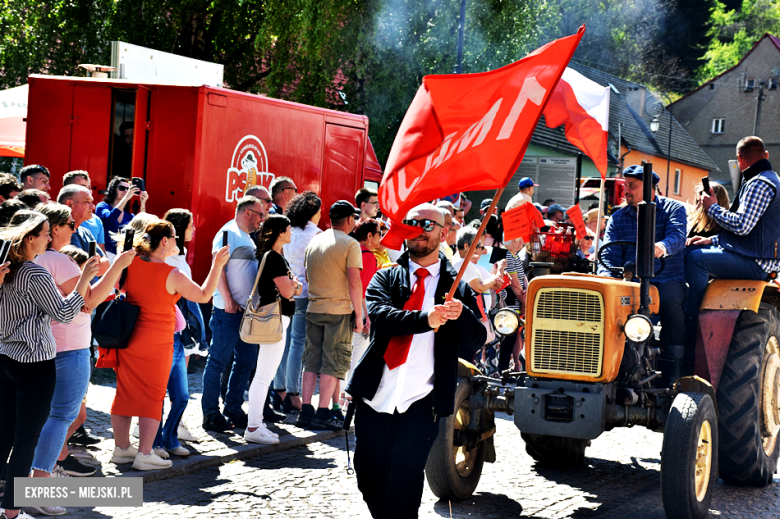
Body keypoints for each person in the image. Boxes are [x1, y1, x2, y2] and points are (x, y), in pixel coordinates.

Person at [346, 203, 486, 519]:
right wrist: (427, 318)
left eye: (427, 224)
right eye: (412, 223)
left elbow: (477, 338)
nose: (419, 230)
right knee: (368, 476)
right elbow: (381, 316)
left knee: (405, 484)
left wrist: (461, 315)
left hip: (422, 402)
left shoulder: (457, 287)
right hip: (375, 396)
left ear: (444, 232)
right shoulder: (388, 277)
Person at [0, 211, 99, 519]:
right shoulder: (34, 272)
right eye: (44, 233)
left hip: (5, 357)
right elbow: (66, 312)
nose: (49, 238)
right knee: (26, 439)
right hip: (34, 363)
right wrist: (84, 279)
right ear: (30, 237)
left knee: (4, 434)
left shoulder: (7, 268)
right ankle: (12, 509)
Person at [108, 220, 229, 471]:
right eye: (174, 237)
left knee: (125, 393)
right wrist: (217, 264)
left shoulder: (130, 265)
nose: (178, 242)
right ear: (164, 241)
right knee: (153, 396)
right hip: (157, 341)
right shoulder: (171, 273)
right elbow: (204, 295)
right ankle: (144, 453)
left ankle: (121, 449)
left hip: (128, 338)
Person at [30, 204, 134, 489]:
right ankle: (42, 480)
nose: (75, 230)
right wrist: (118, 266)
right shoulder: (58, 260)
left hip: (41, 346)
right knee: (61, 416)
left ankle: (36, 477)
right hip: (68, 347)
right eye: (70, 225)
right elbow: (89, 301)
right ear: (53, 230)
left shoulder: (31, 258)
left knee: (46, 415)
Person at [598, 165, 687, 385]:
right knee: (607, 306)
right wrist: (606, 277)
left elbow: (677, 236)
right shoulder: (618, 218)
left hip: (666, 277)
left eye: (632, 186)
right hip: (632, 281)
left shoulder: (673, 209)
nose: (625, 190)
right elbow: (609, 253)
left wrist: (662, 247)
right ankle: (611, 364)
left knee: (671, 303)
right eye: (625, 185)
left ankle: (672, 372)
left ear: (649, 189)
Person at [686, 136, 780, 321]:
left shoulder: (759, 183)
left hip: (757, 263)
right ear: (766, 155)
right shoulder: (771, 179)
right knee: (694, 248)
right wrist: (711, 240)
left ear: (739, 158)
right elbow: (755, 232)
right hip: (758, 258)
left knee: (696, 259)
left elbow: (742, 226)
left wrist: (712, 207)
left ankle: (691, 316)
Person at [296, 200, 363, 430]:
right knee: (332, 364)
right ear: (349, 220)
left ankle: (306, 410)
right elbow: (354, 282)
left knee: (311, 361)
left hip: (314, 308)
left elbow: (306, 274)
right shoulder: (350, 244)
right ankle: (323, 412)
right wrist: (360, 315)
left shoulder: (315, 240)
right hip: (339, 311)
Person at [201, 196, 265, 432]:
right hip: (227, 311)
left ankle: (233, 408)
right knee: (218, 361)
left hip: (243, 311)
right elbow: (217, 268)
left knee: (246, 361)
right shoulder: (227, 233)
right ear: (247, 212)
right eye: (260, 214)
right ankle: (210, 413)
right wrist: (228, 299)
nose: (262, 219)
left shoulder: (245, 236)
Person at [245, 215, 302, 444]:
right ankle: (253, 426)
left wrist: (293, 285)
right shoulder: (275, 258)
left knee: (264, 375)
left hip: (278, 319)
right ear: (280, 232)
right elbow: (289, 291)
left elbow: (292, 286)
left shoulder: (275, 257)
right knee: (263, 376)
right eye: (289, 229)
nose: (291, 233)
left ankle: (256, 424)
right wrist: (295, 285)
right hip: (275, 320)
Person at [278, 191, 322, 413]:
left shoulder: (288, 230)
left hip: (284, 290)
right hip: (304, 293)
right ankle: (293, 393)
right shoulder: (317, 234)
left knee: (283, 341)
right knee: (297, 343)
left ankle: (279, 389)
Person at [344, 218, 381, 398]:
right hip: (358, 310)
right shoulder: (367, 256)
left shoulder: (350, 251)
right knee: (357, 353)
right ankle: (349, 395)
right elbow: (365, 290)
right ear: (369, 235)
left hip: (343, 307)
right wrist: (368, 317)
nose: (380, 238)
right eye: (379, 233)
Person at [57, 185, 110, 276]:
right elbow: (74, 268)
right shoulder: (58, 233)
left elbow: (105, 265)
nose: (93, 206)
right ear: (70, 204)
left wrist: (87, 265)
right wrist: (92, 263)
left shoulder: (86, 232)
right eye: (87, 201)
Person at [96, 176, 149, 258]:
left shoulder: (129, 215)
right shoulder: (102, 206)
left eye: (128, 189)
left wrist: (143, 203)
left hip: (121, 255)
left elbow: (142, 226)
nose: (125, 191)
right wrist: (126, 198)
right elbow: (110, 218)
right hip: (104, 253)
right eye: (122, 188)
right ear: (113, 190)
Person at [63, 170, 106, 255]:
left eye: (89, 187)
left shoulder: (96, 221)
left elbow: (103, 258)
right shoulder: (57, 223)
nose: (88, 191)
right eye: (82, 186)